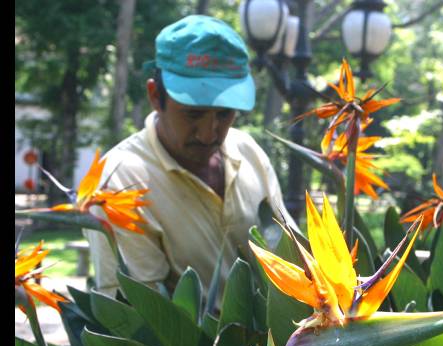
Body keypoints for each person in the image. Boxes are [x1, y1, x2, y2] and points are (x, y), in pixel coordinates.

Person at [84, 15, 294, 303]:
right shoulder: (118, 181)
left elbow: (291, 256)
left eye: (224, 114)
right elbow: (140, 316)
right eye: (193, 114)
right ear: (156, 96)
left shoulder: (248, 151)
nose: (209, 133)